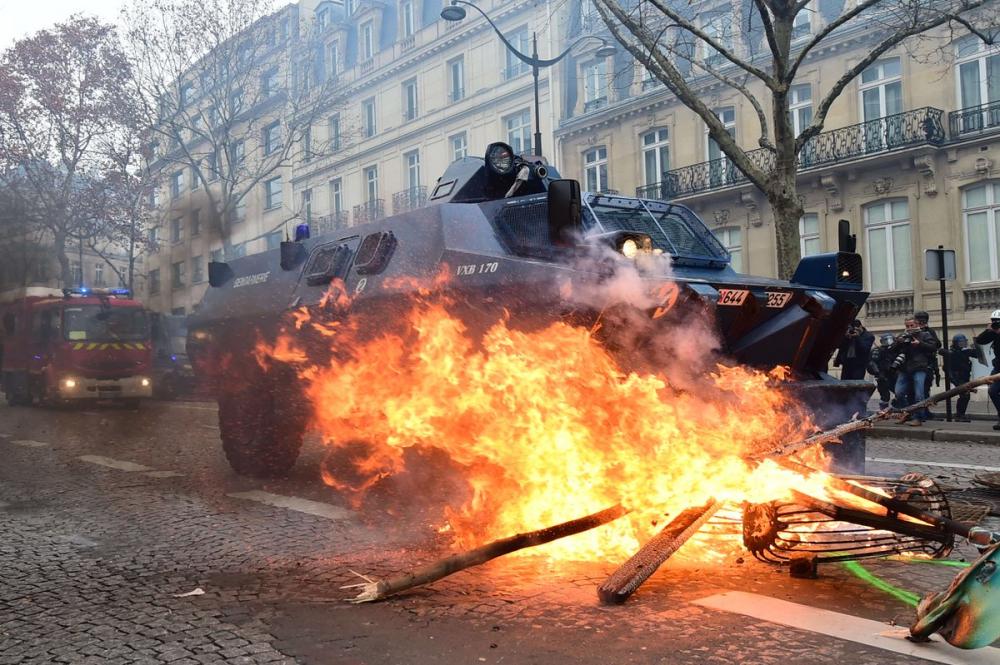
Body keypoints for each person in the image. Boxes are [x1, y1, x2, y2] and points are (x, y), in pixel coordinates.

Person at [893, 317, 939, 426]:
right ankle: (907, 413)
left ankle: (918, 418)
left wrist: (920, 344)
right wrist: (898, 342)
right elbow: (892, 350)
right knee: (898, 393)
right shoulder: (902, 335)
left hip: (920, 367)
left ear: (917, 325)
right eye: (907, 326)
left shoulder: (925, 334)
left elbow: (933, 347)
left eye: (911, 325)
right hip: (905, 368)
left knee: (919, 394)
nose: (909, 328)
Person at [940, 334, 977, 421]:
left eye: (964, 342)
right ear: (956, 343)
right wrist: (955, 381)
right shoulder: (951, 353)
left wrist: (976, 347)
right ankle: (959, 415)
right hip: (957, 377)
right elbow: (947, 369)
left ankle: (960, 414)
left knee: (965, 395)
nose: (963, 344)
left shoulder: (965, 351)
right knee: (965, 395)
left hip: (965, 376)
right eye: (961, 343)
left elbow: (976, 354)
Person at [974, 309, 1000, 430]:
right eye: (994, 322)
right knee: (993, 391)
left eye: (998, 322)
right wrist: (989, 330)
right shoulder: (994, 332)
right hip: (998, 368)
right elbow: (979, 341)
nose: (996, 324)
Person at [868, 333, 898, 410]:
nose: (888, 341)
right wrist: (878, 373)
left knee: (899, 392)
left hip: (894, 375)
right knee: (884, 395)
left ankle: (899, 407)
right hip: (882, 375)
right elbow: (872, 363)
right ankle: (883, 411)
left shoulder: (896, 350)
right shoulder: (877, 350)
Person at [914, 311, 942, 387]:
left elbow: (938, 344)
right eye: (919, 321)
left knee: (926, 383)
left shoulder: (930, 331)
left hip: (928, 362)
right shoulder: (912, 331)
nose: (921, 323)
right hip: (915, 362)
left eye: (923, 321)